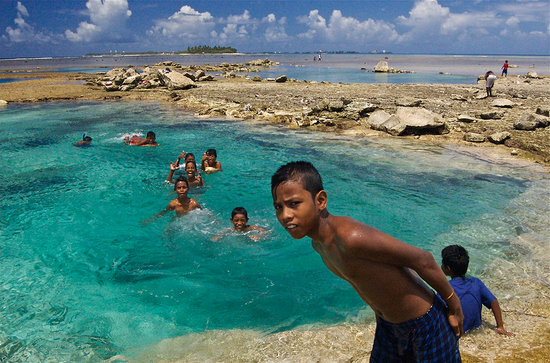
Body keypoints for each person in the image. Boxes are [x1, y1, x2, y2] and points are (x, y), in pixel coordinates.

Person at [271, 161, 463, 362]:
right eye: (278, 207)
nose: (285, 215)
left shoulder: (350, 237)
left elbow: (423, 259)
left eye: (294, 203)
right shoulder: (318, 246)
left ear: (320, 201)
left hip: (425, 324)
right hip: (388, 326)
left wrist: (454, 305)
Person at [441, 245, 515, 336]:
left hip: (457, 332)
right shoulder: (476, 282)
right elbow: (494, 302)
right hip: (476, 328)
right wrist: (500, 327)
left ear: (448, 269)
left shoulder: (445, 288)